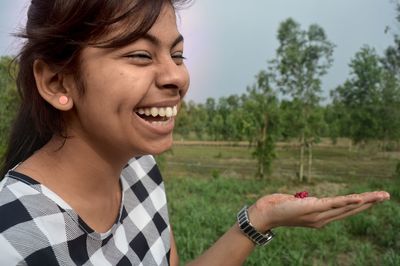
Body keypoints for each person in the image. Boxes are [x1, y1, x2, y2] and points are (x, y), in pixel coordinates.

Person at [0, 0, 390, 265]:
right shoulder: (15, 239)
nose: (177, 77)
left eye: (177, 54)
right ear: (57, 83)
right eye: (140, 54)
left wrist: (261, 218)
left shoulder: (141, 170)